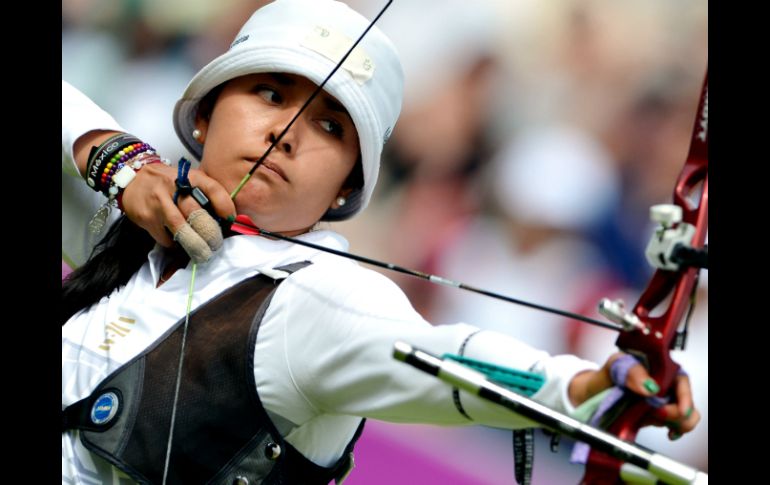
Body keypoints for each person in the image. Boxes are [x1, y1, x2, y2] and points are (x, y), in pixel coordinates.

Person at [61, 1, 700, 483]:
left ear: (346, 186)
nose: (286, 133)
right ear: (204, 114)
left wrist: (588, 386)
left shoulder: (316, 302)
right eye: (269, 92)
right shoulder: (131, 206)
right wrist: (112, 159)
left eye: (329, 125)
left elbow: (448, 358)